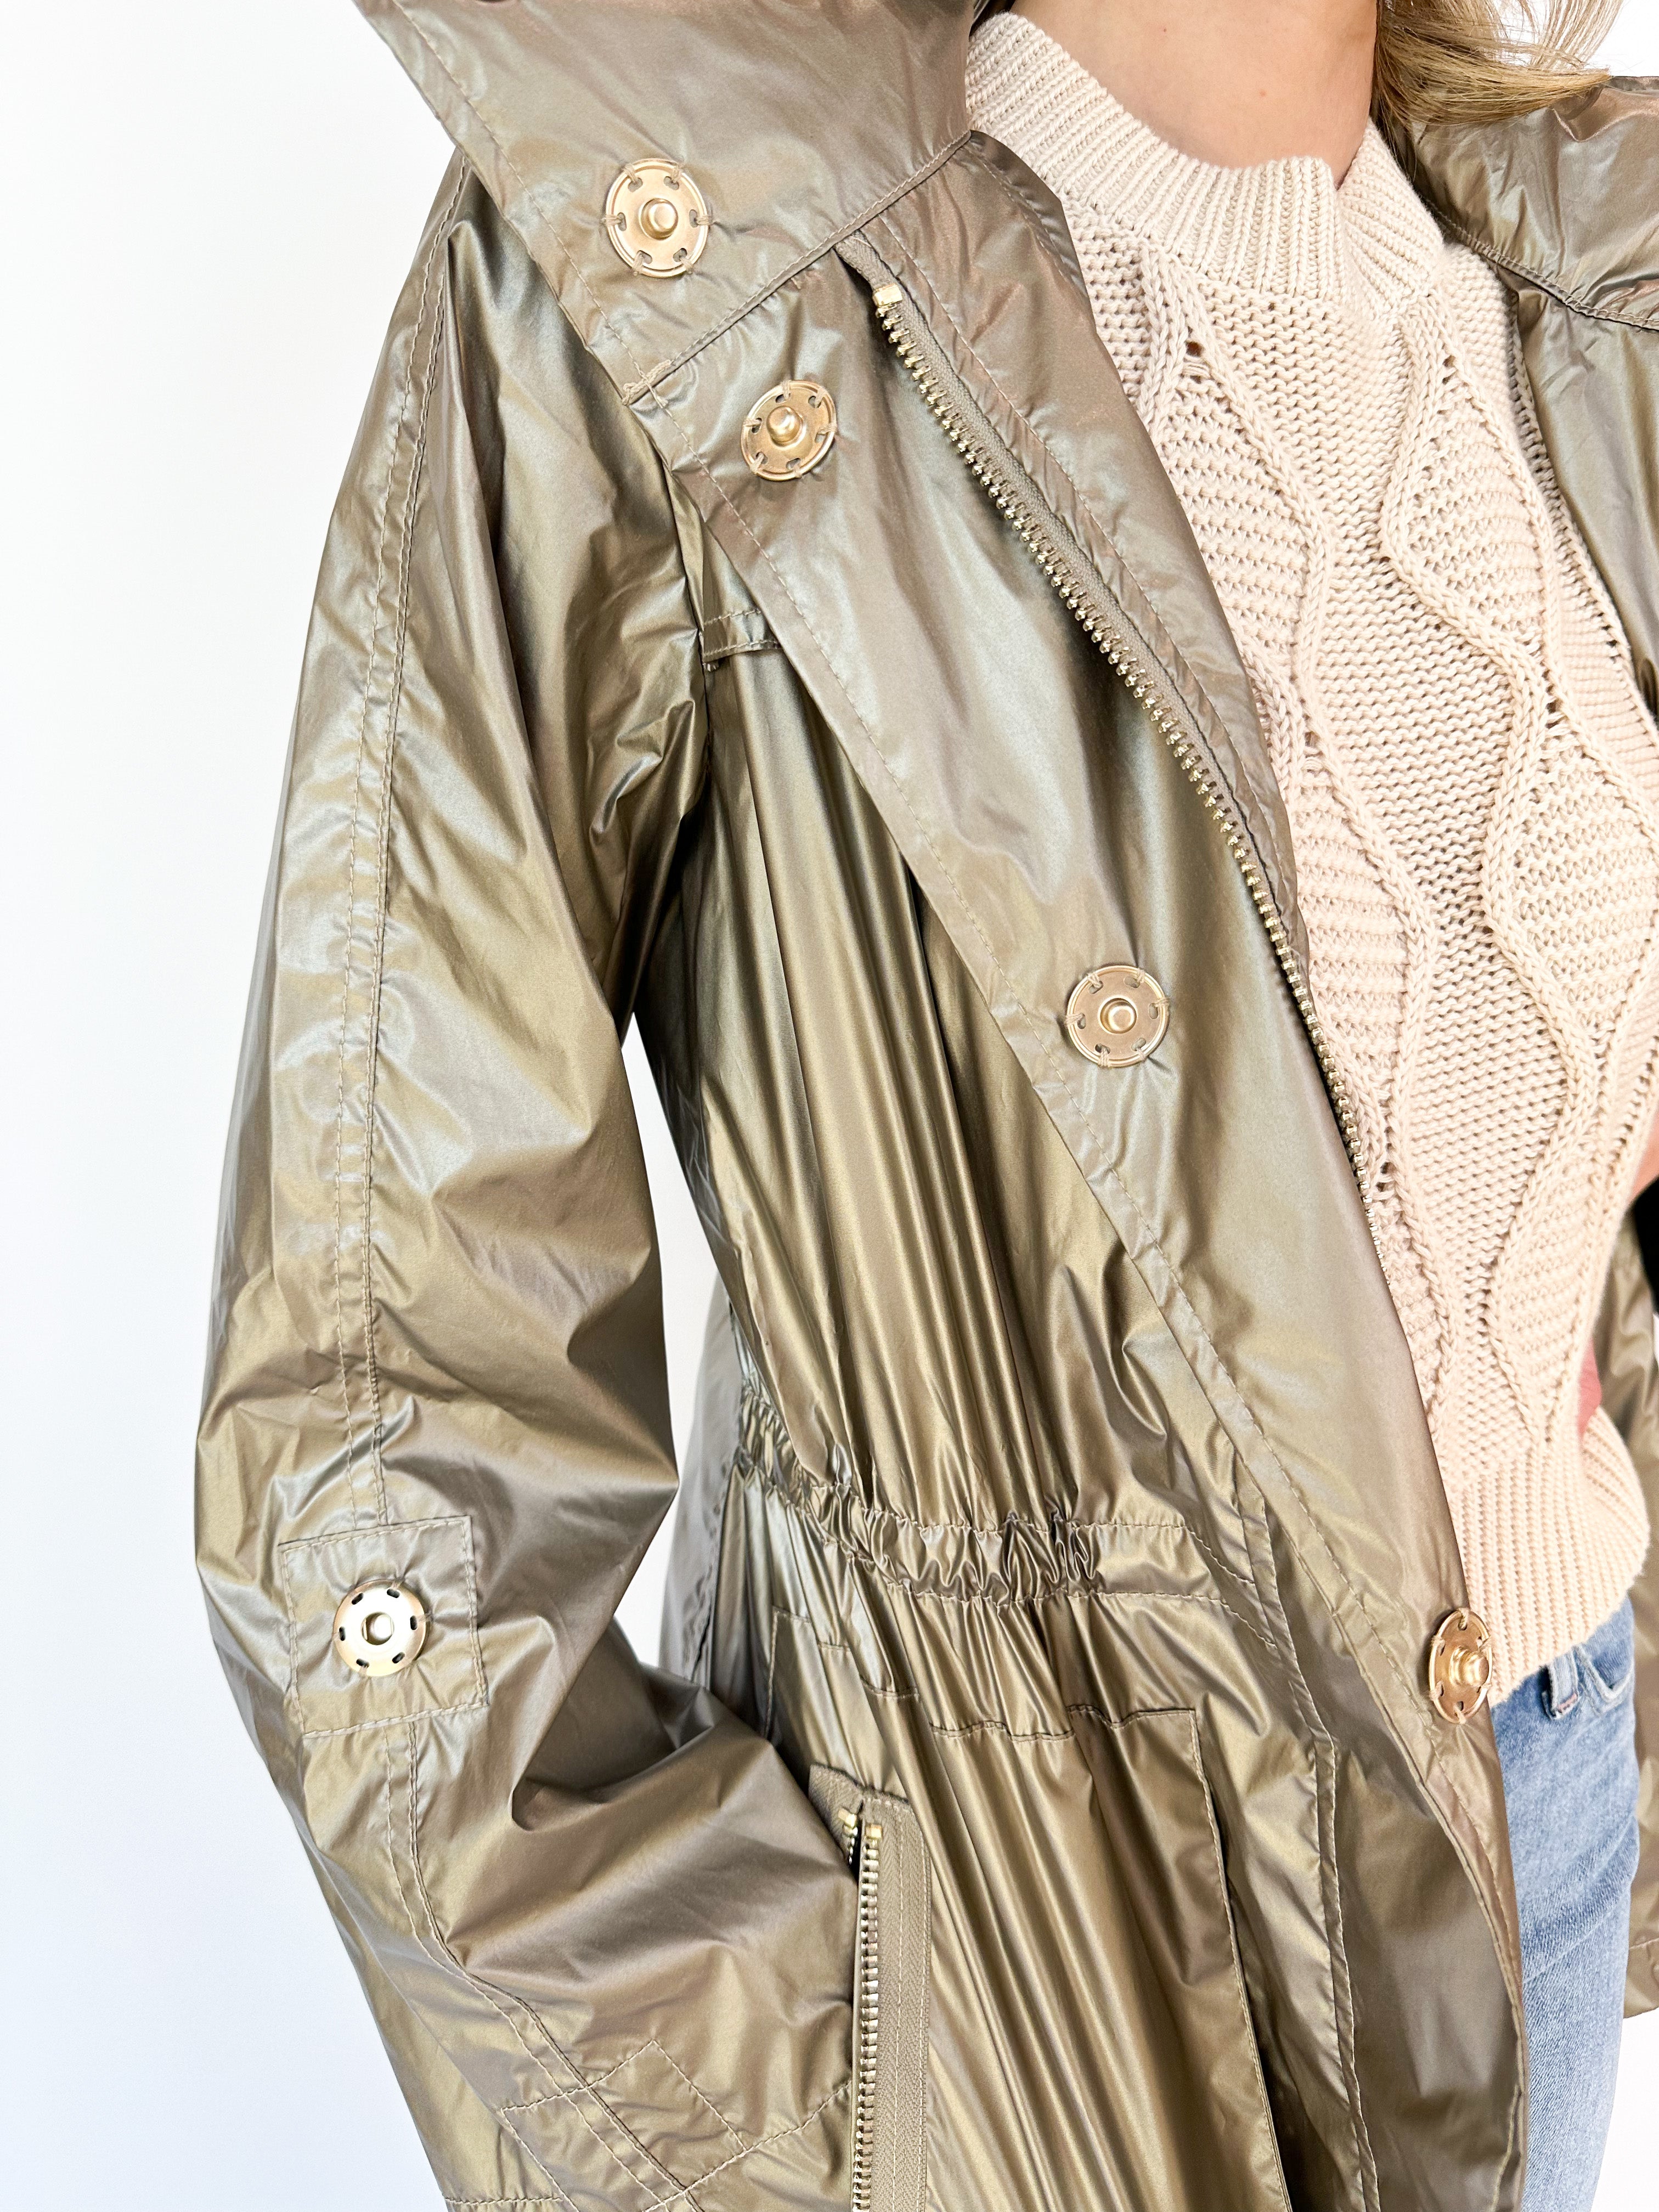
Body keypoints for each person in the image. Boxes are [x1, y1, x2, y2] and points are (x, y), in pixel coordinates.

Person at [196, 3, 1659, 2207]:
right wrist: (833, 2133)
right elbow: (380, 1429)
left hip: (1547, 1803)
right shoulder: (676, 261)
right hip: (1031, 1984)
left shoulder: (1578, 261)